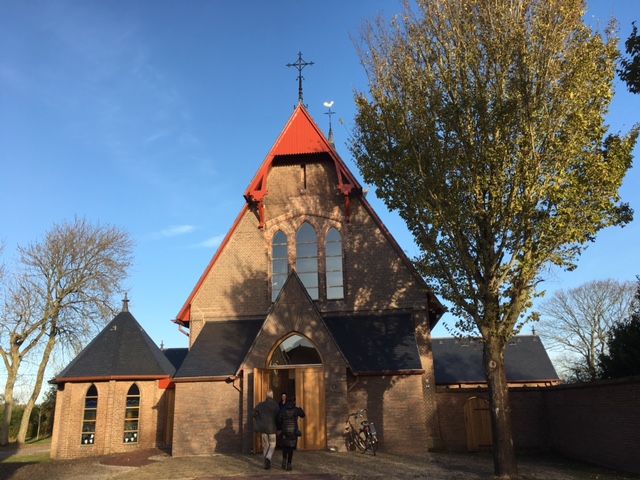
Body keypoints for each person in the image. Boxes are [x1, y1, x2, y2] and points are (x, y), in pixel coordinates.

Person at [252, 389, 280, 469]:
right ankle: (268, 457)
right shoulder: (275, 405)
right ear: (272, 395)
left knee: (265, 445)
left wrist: (258, 418)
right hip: (272, 428)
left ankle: (266, 463)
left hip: (263, 428)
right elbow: (278, 417)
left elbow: (253, 412)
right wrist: (278, 427)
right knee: (272, 444)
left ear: (266, 395)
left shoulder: (261, 405)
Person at [277, 395, 306, 471]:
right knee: (291, 447)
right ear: (294, 401)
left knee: (284, 446)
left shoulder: (283, 409)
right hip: (293, 431)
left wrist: (280, 427)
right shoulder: (296, 409)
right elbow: (303, 415)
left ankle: (284, 460)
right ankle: (289, 464)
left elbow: (279, 420)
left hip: (285, 430)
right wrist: (300, 408)